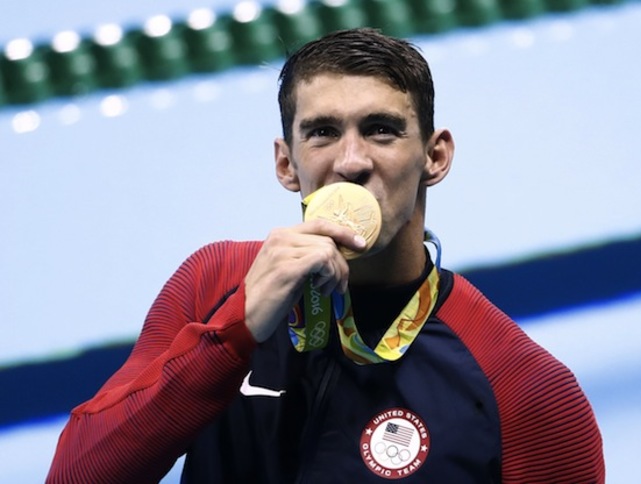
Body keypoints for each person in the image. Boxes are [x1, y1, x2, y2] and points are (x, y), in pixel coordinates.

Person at [47, 28, 604, 483]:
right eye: (323, 133)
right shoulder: (212, 283)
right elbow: (75, 474)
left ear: (435, 157)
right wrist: (233, 333)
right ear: (287, 164)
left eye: (381, 131)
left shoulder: (522, 387)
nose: (352, 161)